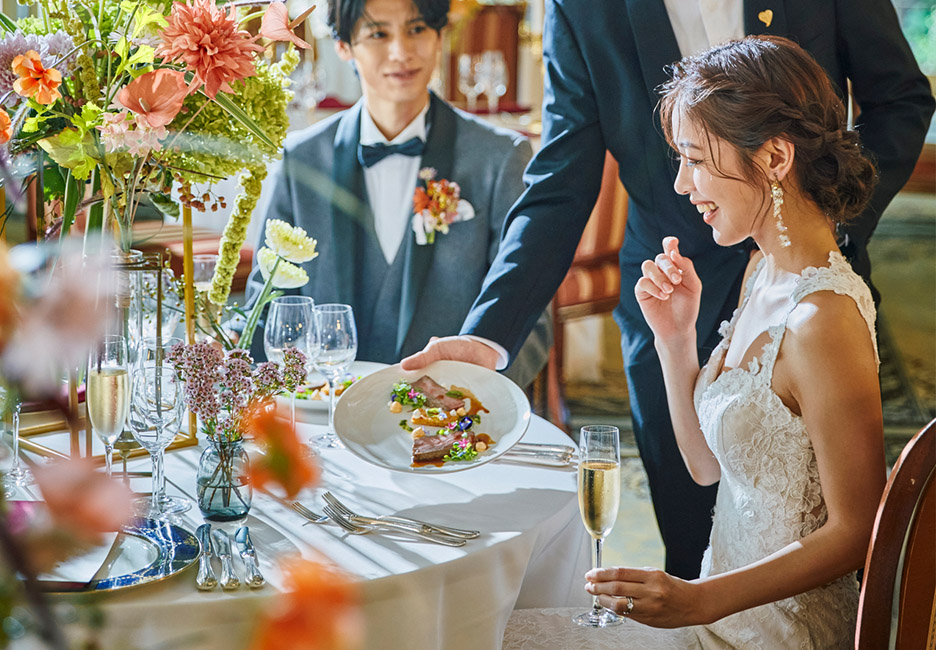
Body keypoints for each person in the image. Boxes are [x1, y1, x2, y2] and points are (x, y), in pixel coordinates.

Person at [402, 0, 935, 578]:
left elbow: (901, 99)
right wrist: (488, 338)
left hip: (803, 274)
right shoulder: (581, 10)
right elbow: (560, 179)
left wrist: (822, 223)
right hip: (668, 288)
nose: (684, 179)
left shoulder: (826, 314)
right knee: (688, 543)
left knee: (818, 502)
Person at [501, 35, 885, 648]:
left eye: (697, 160)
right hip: (714, 620)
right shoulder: (761, 272)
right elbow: (706, 468)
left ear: (776, 158)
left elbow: (859, 528)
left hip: (770, 637)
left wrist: (699, 599)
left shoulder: (824, 320)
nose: (682, 184)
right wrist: (675, 341)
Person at [245, 0, 551, 388]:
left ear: (441, 35)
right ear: (343, 46)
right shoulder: (300, 161)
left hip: (450, 423)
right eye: (378, 34)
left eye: (417, 29)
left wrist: (476, 399)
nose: (401, 52)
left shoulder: (500, 157)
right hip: (325, 419)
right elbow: (268, 306)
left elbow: (528, 316)